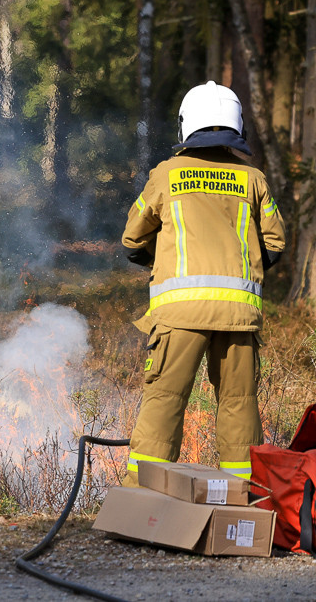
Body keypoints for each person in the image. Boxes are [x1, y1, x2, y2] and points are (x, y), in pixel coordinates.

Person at [121, 81, 286, 486]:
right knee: (239, 404)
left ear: (185, 125)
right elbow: (276, 244)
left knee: (165, 400)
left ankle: (143, 499)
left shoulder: (166, 175)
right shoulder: (253, 179)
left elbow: (132, 239)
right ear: (237, 125)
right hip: (239, 316)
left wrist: (161, 258)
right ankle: (246, 499)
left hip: (179, 314)